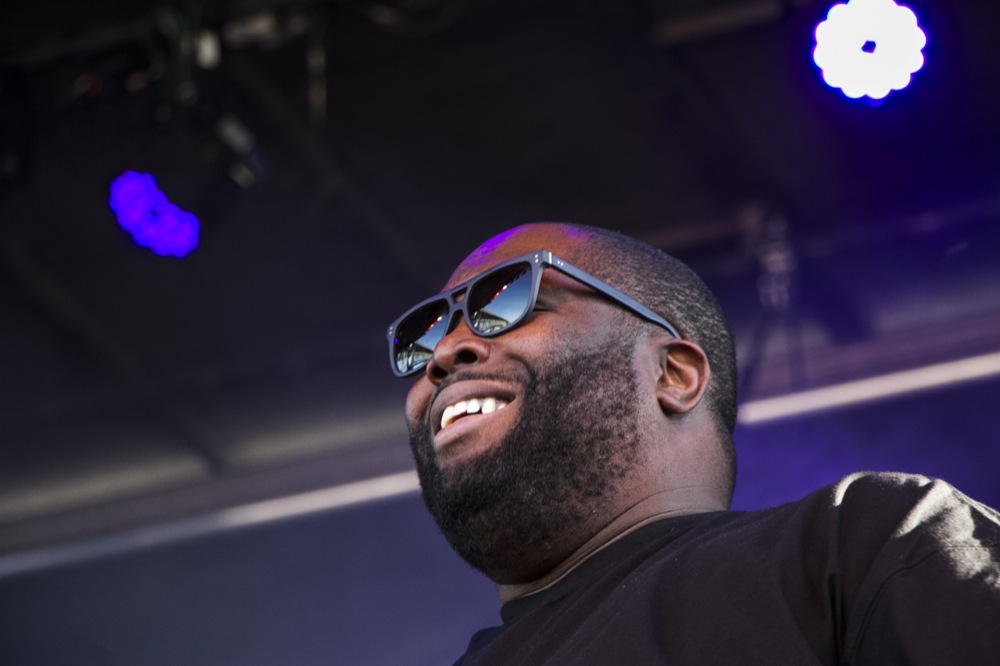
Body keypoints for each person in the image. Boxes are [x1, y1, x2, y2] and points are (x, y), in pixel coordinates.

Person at [386, 222, 1000, 664]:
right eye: (425, 339)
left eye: (511, 301)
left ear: (673, 375)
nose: (444, 353)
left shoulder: (859, 547)